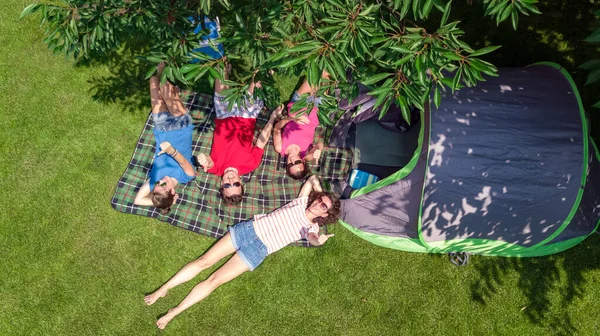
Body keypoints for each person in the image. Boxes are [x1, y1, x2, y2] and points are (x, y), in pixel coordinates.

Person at [144, 175, 341, 329]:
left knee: (214, 281)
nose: (317, 204)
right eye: (319, 200)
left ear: (325, 215)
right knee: (204, 261)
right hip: (249, 229)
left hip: (258, 250)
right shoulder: (301, 201)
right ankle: (164, 288)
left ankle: (174, 311)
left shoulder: (311, 229)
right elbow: (312, 179)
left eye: (323, 206)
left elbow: (314, 241)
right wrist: (321, 193)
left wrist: (320, 241)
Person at [196, 64, 282, 205]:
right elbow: (262, 141)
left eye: (227, 186)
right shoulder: (251, 164)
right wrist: (272, 118)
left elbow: (209, 163)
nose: (231, 181)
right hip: (248, 114)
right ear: (241, 182)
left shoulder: (216, 169)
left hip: (224, 114)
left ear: (221, 184)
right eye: (235, 184)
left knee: (219, 67)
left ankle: (226, 72)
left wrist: (205, 160)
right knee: (260, 76)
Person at [134, 63, 196, 214]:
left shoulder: (155, 179)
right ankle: (167, 64)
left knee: (153, 81)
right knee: (165, 89)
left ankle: (170, 84)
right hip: (182, 128)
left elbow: (137, 200)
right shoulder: (186, 176)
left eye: (158, 184)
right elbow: (182, 161)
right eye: (164, 185)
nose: (161, 180)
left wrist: (161, 202)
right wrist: (171, 151)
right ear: (173, 192)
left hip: (162, 128)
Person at [272, 72, 330, 180]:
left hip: (298, 106)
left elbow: (277, 127)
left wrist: (293, 118)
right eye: (297, 162)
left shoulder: (280, 148)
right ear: (302, 162)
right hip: (318, 109)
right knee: (326, 77)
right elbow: (320, 144)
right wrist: (319, 150)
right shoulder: (306, 155)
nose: (292, 160)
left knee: (314, 76)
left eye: (290, 165)